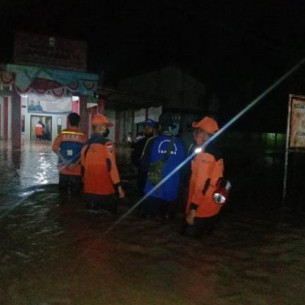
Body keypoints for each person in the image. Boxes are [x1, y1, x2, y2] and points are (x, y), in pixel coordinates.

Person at [183, 116, 225, 238]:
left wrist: (193, 208)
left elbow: (201, 184)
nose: (195, 135)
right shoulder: (216, 150)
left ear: (204, 133)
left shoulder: (206, 155)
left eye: (198, 131)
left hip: (202, 207)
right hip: (213, 206)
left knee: (188, 243)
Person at [139, 113, 186, 218]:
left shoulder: (151, 142)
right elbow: (185, 171)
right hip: (171, 194)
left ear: (159, 127)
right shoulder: (181, 144)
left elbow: (143, 166)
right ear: (171, 126)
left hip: (153, 192)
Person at [81, 114, 125, 212]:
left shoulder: (85, 146)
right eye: (106, 126)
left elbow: (83, 168)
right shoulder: (107, 144)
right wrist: (119, 187)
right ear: (100, 127)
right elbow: (112, 167)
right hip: (106, 192)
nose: (106, 129)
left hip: (89, 193)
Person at [52, 112, 87, 195]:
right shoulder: (83, 136)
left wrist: (65, 162)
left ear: (68, 121)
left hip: (63, 169)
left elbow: (55, 149)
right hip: (77, 170)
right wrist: (74, 164)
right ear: (79, 122)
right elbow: (84, 152)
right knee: (75, 195)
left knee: (62, 195)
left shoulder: (62, 134)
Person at [131, 119, 158, 196]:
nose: (147, 129)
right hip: (142, 173)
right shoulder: (141, 142)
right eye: (145, 128)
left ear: (154, 129)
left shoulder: (157, 142)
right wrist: (140, 164)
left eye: (149, 127)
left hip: (153, 173)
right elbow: (134, 157)